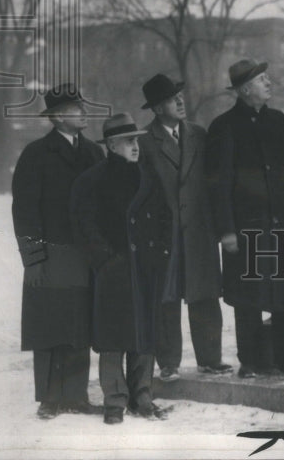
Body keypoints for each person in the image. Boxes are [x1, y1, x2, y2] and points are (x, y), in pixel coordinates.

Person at [205, 59, 284, 378]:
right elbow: (219, 183)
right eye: (262, 79)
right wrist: (226, 230)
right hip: (246, 228)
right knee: (248, 296)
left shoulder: (278, 121)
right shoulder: (223, 127)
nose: (270, 83)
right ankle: (251, 361)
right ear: (244, 90)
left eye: (268, 78)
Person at [70, 113, 174, 424]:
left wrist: (159, 255)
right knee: (113, 338)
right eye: (129, 141)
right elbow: (83, 225)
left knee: (144, 335)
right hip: (113, 271)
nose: (135, 145)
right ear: (112, 145)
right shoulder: (92, 179)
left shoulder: (147, 175)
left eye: (137, 140)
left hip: (145, 268)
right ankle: (114, 401)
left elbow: (165, 217)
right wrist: (105, 259)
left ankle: (142, 396)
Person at [11, 83, 104, 419]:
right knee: (49, 327)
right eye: (76, 107)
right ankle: (50, 398)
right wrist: (33, 259)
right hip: (51, 256)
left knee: (79, 325)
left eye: (82, 106)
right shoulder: (36, 154)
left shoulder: (95, 153)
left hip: (85, 256)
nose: (83, 112)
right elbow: (24, 212)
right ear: (56, 117)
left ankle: (76, 395)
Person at [137, 72, 230, 381]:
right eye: (170, 99)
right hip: (164, 233)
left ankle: (210, 359)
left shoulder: (199, 134)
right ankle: (168, 363)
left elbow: (213, 182)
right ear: (156, 108)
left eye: (179, 96)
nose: (179, 101)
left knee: (204, 294)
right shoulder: (145, 142)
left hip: (199, 231)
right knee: (166, 298)